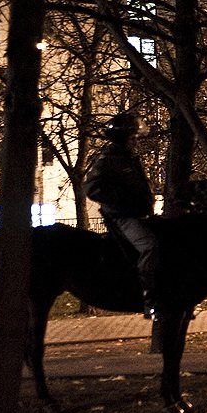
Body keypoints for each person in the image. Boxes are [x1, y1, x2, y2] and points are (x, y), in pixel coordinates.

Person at [85, 113, 163, 321]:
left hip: (139, 214)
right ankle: (150, 299)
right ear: (122, 138)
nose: (136, 140)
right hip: (123, 217)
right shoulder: (108, 160)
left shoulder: (129, 158)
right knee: (149, 246)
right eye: (132, 136)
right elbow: (92, 188)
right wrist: (122, 199)